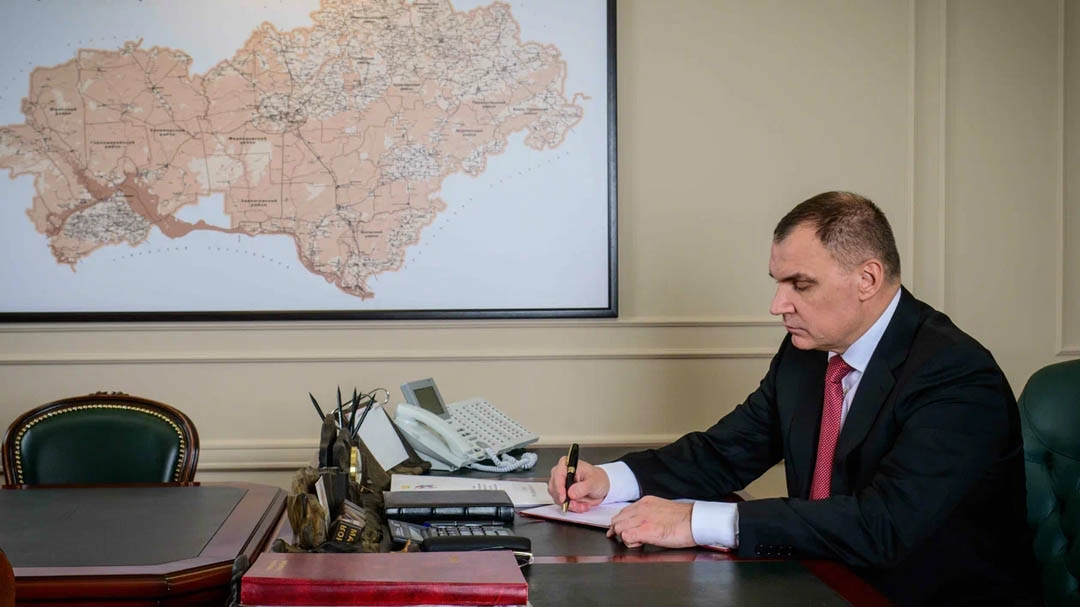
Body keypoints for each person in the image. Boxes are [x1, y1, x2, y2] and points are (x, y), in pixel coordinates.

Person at [548, 191, 1038, 606]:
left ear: (867, 279)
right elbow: (727, 451)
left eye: (800, 284)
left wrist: (696, 521)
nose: (777, 305)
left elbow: (882, 525)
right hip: (817, 581)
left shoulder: (956, 374)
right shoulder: (808, 352)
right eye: (778, 283)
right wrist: (610, 479)